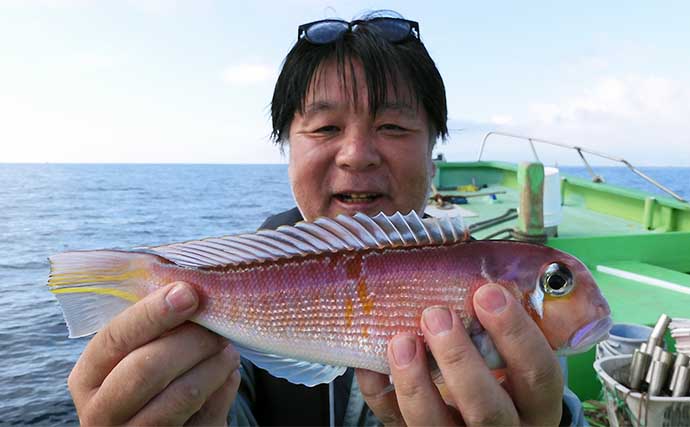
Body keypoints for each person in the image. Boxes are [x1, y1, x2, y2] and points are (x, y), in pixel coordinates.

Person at [66, 11, 585, 426]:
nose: (357, 154)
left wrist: (554, 420)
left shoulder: (499, 303)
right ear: (286, 147)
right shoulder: (219, 310)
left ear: (434, 152)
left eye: (393, 125)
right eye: (324, 127)